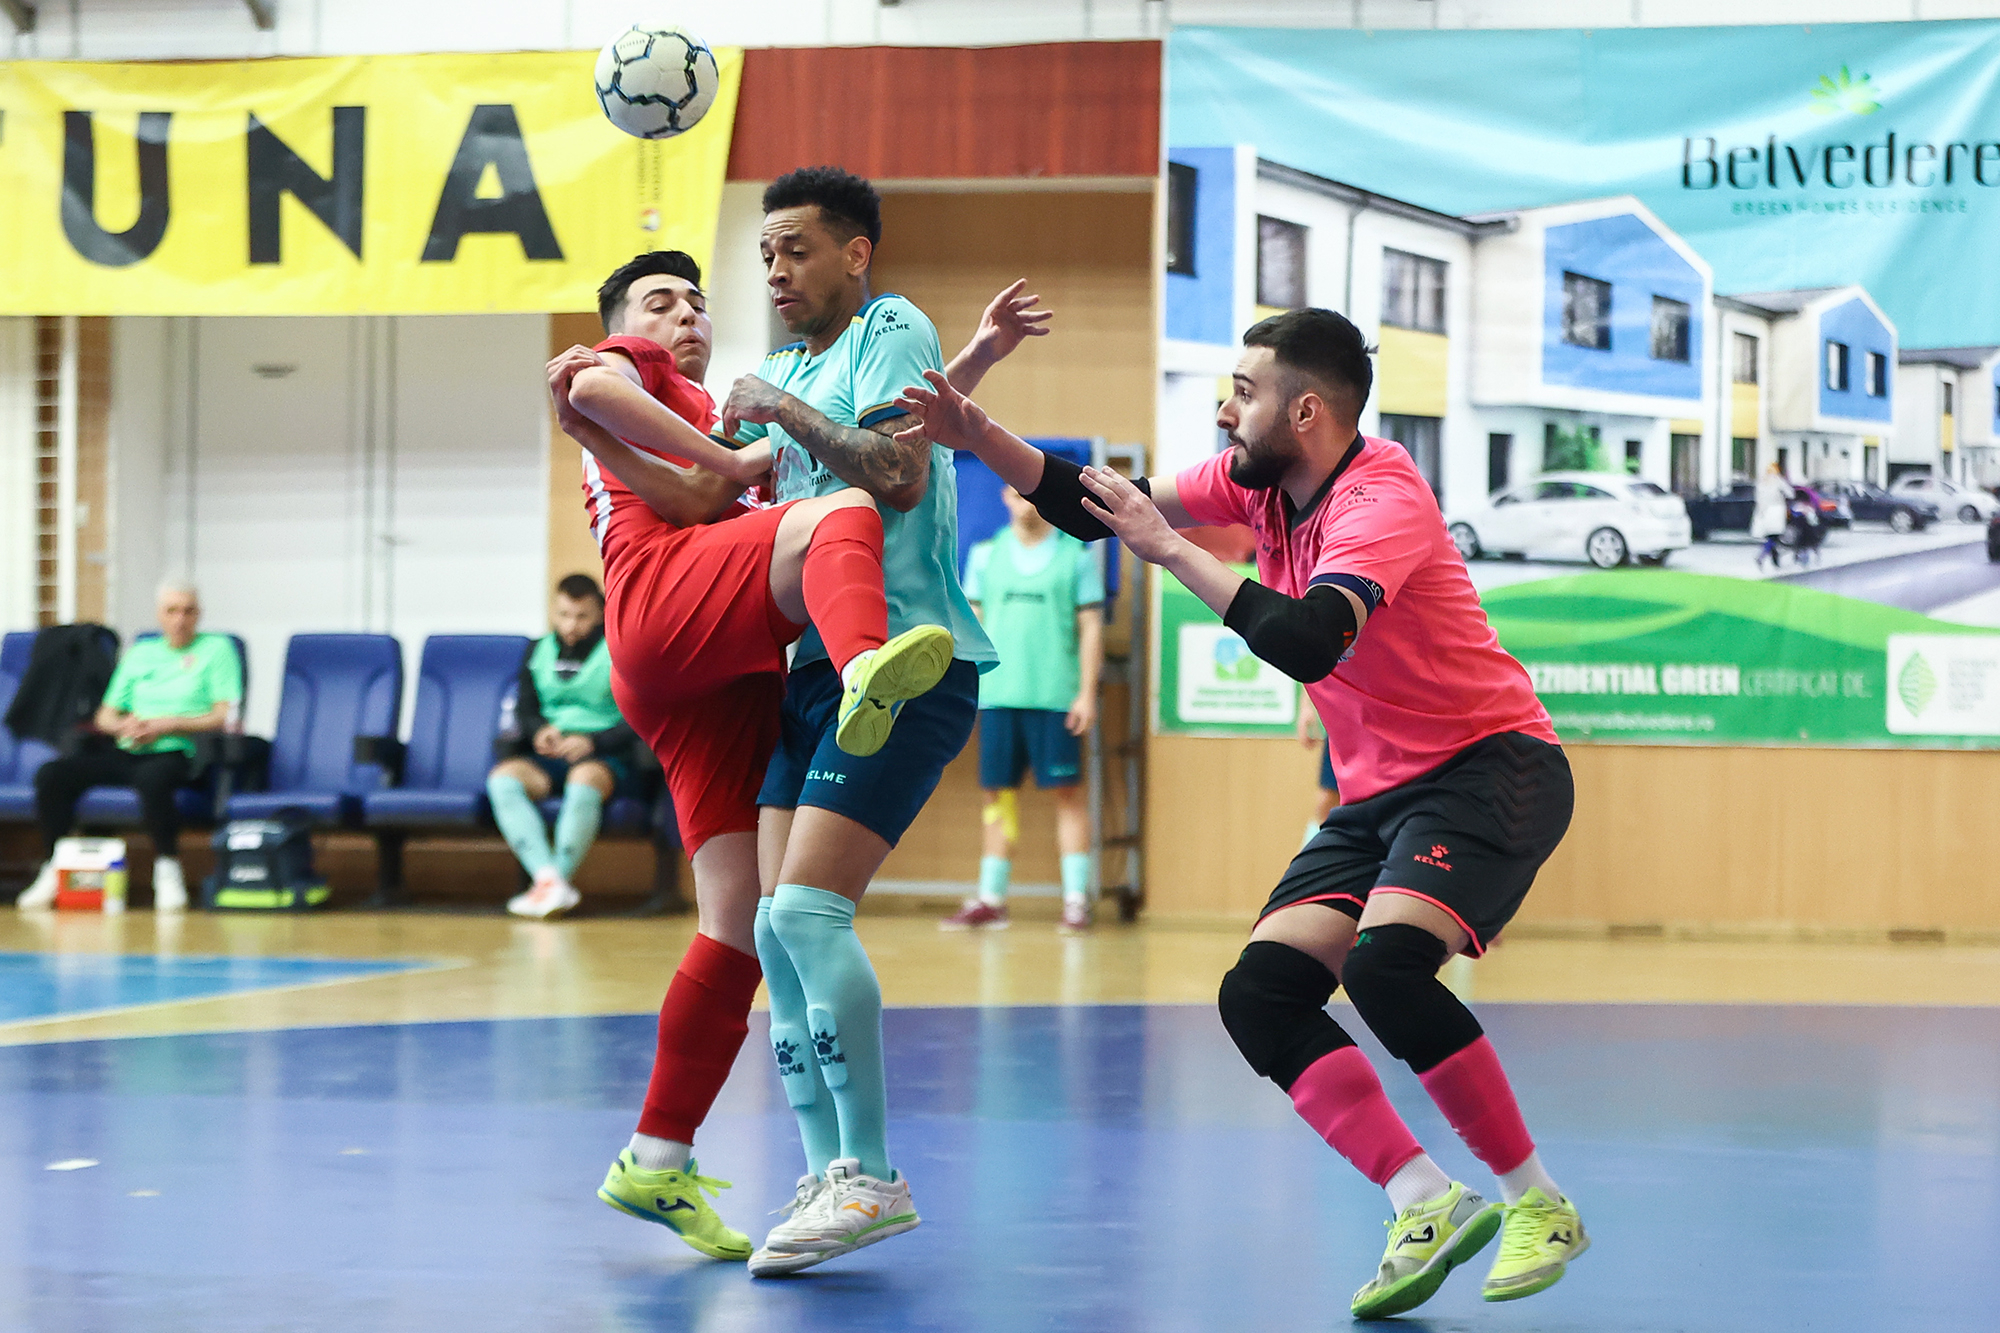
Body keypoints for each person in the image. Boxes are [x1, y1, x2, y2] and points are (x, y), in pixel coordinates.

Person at [899, 307, 1589, 1318]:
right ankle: (1420, 1195)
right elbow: (1103, 505)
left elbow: (1310, 640)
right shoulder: (1254, 484)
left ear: (1305, 410)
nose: (1225, 410)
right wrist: (977, 433)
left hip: (1489, 766)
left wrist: (1170, 551)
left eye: (1242, 391)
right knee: (1260, 994)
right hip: (1376, 792)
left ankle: (1538, 1202)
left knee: (1384, 966)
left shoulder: (1379, 496)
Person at [545, 243, 1045, 1268]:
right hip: (666, 613)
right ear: (623, 319)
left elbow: (883, 435)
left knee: (739, 922)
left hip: (717, 668)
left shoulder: (726, 395)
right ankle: (867, 668)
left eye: (693, 299)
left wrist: (978, 360)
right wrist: (728, 461)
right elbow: (604, 394)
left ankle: (657, 1150)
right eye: (658, 300)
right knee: (838, 517)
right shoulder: (640, 370)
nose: (684, 312)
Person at [714, 167, 1010, 1277]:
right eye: (765, 256)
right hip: (806, 675)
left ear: (855, 254)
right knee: (769, 932)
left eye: (795, 249)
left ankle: (874, 1174)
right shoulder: (780, 366)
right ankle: (829, 1170)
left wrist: (778, 409)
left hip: (908, 664)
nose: (776, 271)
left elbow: (894, 470)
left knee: (806, 912)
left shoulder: (887, 327)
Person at [18, 582, 240, 913]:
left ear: (199, 615)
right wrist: (124, 726)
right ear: (159, 616)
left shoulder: (217, 649)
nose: (180, 620)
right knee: (53, 774)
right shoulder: (141, 653)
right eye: (172, 611)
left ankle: (167, 869)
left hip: (179, 751)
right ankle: (54, 866)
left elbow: (225, 714)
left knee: (153, 779)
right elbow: (105, 714)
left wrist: (168, 723)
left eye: (188, 611)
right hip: (129, 746)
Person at [941, 485, 1104, 933]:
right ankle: (992, 899)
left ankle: (1076, 901)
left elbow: (1091, 629)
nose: (1025, 501)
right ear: (1004, 498)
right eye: (1016, 493)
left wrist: (1086, 692)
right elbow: (970, 627)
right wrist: (967, 688)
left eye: (1031, 493)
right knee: (997, 797)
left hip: (1056, 697)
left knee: (1067, 797)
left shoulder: (1076, 556)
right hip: (998, 696)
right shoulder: (986, 555)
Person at [487, 573, 640, 920]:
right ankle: (549, 880)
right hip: (549, 756)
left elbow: (638, 717)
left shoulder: (620, 649)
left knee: (583, 781)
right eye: (564, 615)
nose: (571, 625)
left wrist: (592, 742)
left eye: (582, 616)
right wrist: (539, 730)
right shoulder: (536, 650)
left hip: (602, 756)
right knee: (503, 779)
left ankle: (554, 883)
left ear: (600, 614)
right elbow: (525, 707)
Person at [1298, 703, 1339, 850]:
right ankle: (1315, 857)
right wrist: (1306, 707)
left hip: (1381, 710)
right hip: (1343, 713)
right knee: (1327, 801)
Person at [1753, 460, 1794, 569]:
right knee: (1774, 537)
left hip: (1763, 512)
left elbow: (1758, 499)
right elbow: (1791, 493)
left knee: (1771, 537)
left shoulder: (1762, 482)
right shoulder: (1778, 481)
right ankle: (1761, 557)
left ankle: (1775, 561)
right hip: (1776, 511)